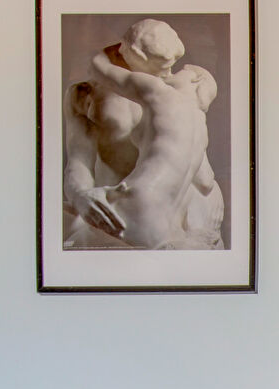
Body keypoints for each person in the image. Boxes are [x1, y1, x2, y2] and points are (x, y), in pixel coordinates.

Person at [62, 19, 225, 250]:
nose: (170, 72)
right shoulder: (86, 93)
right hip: (115, 210)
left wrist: (207, 213)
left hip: (154, 214)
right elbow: (78, 159)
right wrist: (80, 196)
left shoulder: (171, 94)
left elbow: (203, 179)